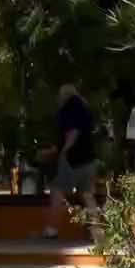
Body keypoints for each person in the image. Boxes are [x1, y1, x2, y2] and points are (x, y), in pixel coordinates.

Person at [39, 84, 99, 240]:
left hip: (73, 160)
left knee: (57, 192)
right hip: (89, 159)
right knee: (87, 194)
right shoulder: (85, 111)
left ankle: (51, 229)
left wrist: (63, 152)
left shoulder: (67, 111)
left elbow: (72, 133)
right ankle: (97, 230)